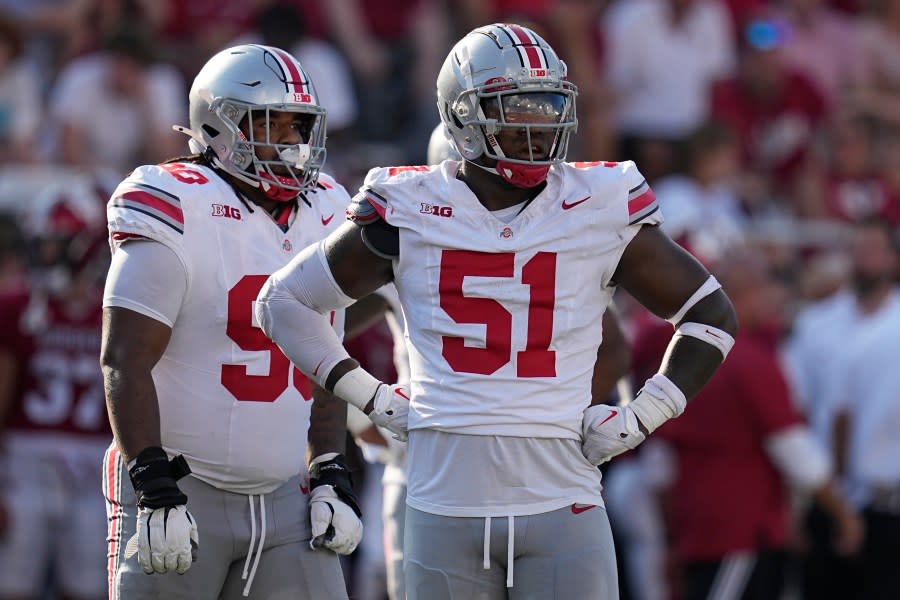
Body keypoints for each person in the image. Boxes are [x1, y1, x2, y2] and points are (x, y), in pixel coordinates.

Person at [256, 23, 738, 599]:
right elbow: (283, 301)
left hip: (561, 500)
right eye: (517, 109)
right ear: (462, 116)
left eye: (549, 105)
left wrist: (642, 416)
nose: (540, 126)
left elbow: (711, 314)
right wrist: (373, 398)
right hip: (444, 503)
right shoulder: (405, 207)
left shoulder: (600, 203)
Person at [100, 44, 362, 600]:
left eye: (300, 128)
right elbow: (124, 357)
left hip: (285, 499)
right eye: (274, 126)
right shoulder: (175, 200)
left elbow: (323, 353)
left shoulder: (326, 207)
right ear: (219, 126)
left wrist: (330, 468)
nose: (292, 144)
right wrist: (152, 482)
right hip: (179, 490)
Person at [0, 191, 110, 600]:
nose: (44, 254)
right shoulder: (18, 307)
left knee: (86, 587)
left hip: (91, 470)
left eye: (54, 244)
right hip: (25, 466)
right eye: (41, 243)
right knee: (13, 585)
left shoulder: (113, 313)